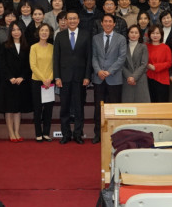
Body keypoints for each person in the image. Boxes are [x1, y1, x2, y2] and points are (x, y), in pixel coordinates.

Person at [53, 11, 92, 144]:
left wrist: (87, 76)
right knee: (64, 108)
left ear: (78, 20)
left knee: (79, 107)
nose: (72, 21)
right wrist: (57, 77)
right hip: (64, 78)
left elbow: (89, 57)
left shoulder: (86, 35)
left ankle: (78, 134)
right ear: (66, 21)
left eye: (74, 18)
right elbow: (56, 58)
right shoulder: (60, 36)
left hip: (80, 78)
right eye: (69, 19)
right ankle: (65, 134)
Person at [91, 14, 127, 144]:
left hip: (114, 78)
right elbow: (94, 56)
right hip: (99, 78)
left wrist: (109, 71)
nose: (107, 23)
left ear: (114, 24)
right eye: (105, 21)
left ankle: (115, 135)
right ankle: (98, 134)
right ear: (101, 23)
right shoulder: (95, 38)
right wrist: (98, 71)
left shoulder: (121, 38)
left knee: (114, 108)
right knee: (98, 108)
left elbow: (122, 58)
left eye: (110, 21)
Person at [0, 22, 32, 142]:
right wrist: (10, 77)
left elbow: (29, 64)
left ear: (22, 31)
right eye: (13, 30)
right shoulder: (4, 46)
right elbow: (2, 64)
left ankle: (17, 132)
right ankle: (11, 133)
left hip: (21, 82)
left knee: (18, 109)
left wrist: (22, 77)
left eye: (18, 29)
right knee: (9, 109)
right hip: (8, 82)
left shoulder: (27, 46)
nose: (16, 32)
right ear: (10, 32)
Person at [29, 23, 55, 142]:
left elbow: (55, 65)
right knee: (38, 108)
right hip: (37, 81)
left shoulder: (53, 47)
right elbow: (33, 66)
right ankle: (38, 133)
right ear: (38, 32)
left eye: (46, 30)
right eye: (42, 30)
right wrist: (43, 79)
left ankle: (46, 133)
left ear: (50, 33)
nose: (44, 32)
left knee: (48, 109)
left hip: (49, 82)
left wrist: (49, 78)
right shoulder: (33, 47)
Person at [122, 24, 150, 103]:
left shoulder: (143, 47)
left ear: (139, 35)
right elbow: (121, 64)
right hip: (127, 79)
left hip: (140, 79)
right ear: (128, 34)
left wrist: (134, 77)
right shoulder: (123, 47)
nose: (133, 34)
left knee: (141, 105)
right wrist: (129, 77)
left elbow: (144, 64)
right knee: (128, 105)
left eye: (136, 32)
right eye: (131, 32)